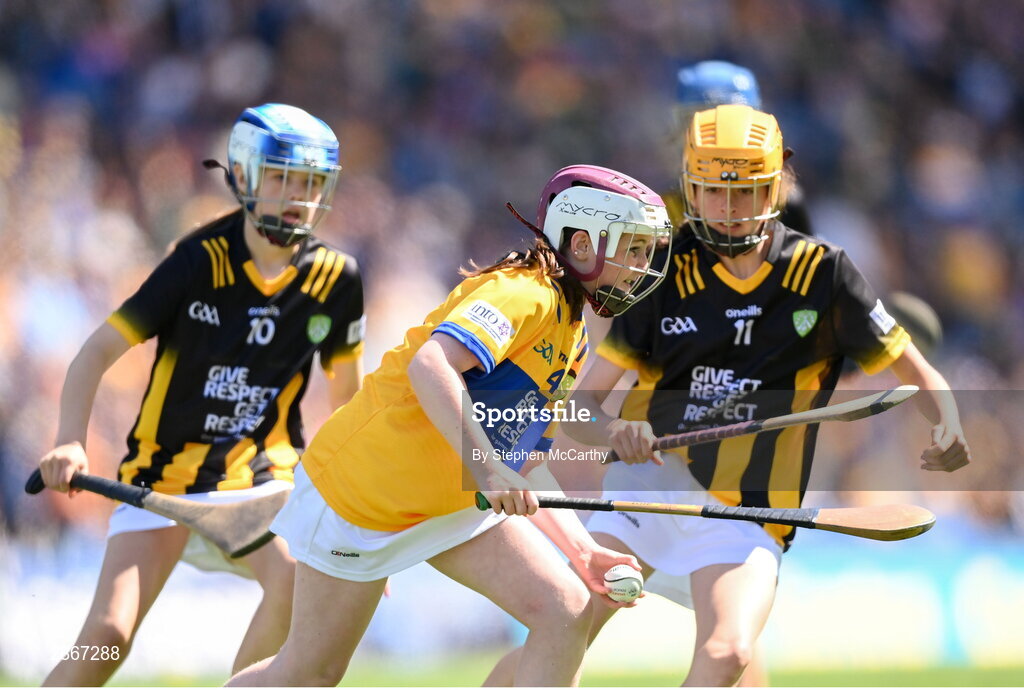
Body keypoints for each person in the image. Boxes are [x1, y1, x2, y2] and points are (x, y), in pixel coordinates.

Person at [492, 105, 972, 687]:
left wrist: (947, 422)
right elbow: (581, 412)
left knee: (730, 652)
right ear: (691, 189)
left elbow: (921, 375)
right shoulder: (664, 273)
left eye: (745, 191)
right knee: (567, 624)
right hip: (648, 493)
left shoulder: (824, 275)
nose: (729, 208)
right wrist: (617, 431)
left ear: (775, 188)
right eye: (713, 191)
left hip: (747, 512)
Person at [224, 165, 673, 687]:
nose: (640, 267)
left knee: (566, 608)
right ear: (580, 243)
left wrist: (582, 550)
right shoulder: (525, 293)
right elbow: (431, 366)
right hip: (363, 494)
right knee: (310, 671)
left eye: (645, 252)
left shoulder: (572, 334)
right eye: (632, 249)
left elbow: (521, 460)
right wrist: (487, 473)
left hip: (448, 499)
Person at [36, 103, 365, 685]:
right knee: (107, 639)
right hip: (161, 479)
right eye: (283, 177)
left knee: (294, 580)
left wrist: (354, 519)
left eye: (312, 182)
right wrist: (69, 440)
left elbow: (349, 408)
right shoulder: (195, 262)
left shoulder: (337, 280)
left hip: (263, 480)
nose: (299, 195)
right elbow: (94, 354)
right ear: (243, 177)